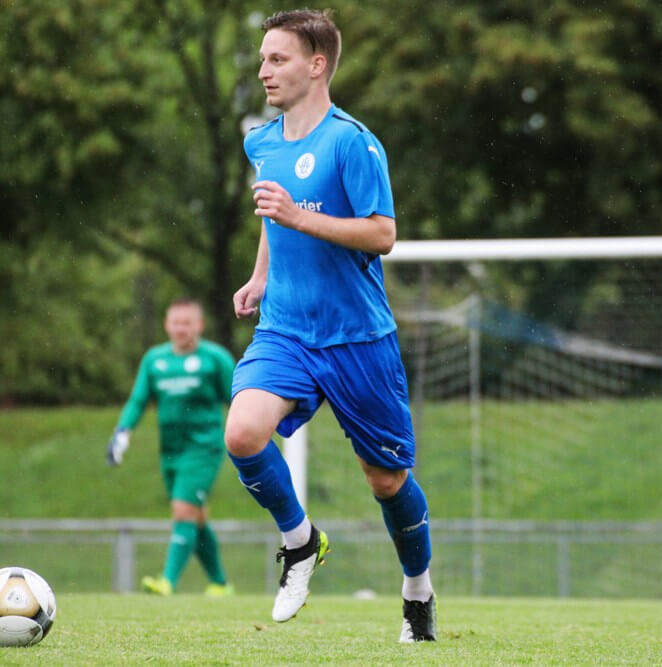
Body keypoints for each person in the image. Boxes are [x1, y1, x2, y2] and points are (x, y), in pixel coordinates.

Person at [224, 9, 436, 642]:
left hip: (358, 339)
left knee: (386, 479)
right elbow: (272, 214)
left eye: (278, 58)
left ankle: (417, 592)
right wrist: (262, 275)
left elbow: (383, 234)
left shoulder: (353, 143)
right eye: (262, 59)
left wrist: (296, 218)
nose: (264, 70)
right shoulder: (262, 142)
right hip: (286, 330)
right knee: (242, 432)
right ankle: (300, 542)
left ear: (317, 65)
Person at [106, 297, 236, 597]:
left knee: (183, 510)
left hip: (204, 449)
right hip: (171, 452)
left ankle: (167, 582)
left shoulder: (215, 359)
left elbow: (238, 399)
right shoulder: (154, 360)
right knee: (197, 517)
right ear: (167, 324)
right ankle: (220, 583)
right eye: (176, 322)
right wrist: (122, 432)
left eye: (187, 323)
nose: (181, 329)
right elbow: (138, 400)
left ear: (199, 325)